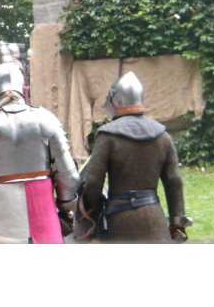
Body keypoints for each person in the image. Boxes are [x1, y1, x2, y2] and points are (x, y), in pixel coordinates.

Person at [0, 61, 80, 243]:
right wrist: (65, 207)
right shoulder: (44, 118)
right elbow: (69, 176)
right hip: (42, 203)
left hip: (3, 204)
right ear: (21, 86)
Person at [75, 72, 192, 244]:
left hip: (119, 219)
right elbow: (174, 181)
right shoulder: (162, 135)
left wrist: (93, 210)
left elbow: (93, 181)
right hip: (154, 218)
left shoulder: (108, 136)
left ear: (116, 101)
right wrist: (176, 223)